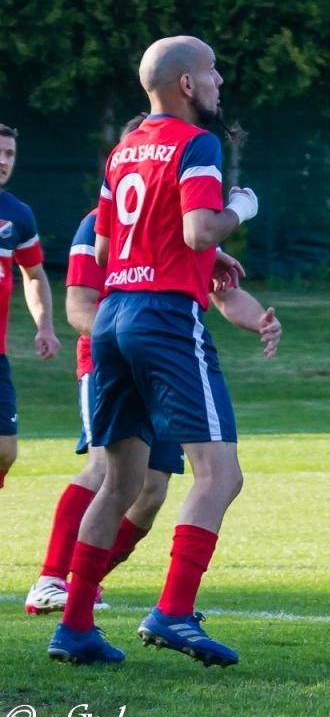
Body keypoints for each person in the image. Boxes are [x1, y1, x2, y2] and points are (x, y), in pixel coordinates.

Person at [48, 36, 262, 667]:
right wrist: (240, 209)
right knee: (221, 475)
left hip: (112, 317)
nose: (220, 81)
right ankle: (172, 612)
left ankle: (76, 626)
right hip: (166, 318)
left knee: (117, 483)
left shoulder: (122, 152)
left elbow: (116, 247)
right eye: (213, 71)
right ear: (187, 85)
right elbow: (200, 225)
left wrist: (196, 252)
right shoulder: (200, 144)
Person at [26, 117, 281, 617]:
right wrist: (131, 337)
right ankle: (54, 579)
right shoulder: (100, 222)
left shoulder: (174, 222)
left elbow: (221, 289)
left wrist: (259, 321)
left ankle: (84, 594)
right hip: (127, 349)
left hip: (151, 346)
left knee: (151, 490)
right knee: (112, 471)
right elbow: (79, 306)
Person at [0, 123, 63, 491]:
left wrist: (45, 326)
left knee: (6, 450)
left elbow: (35, 275)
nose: (4, 160)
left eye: (9, 154)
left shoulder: (18, 215)